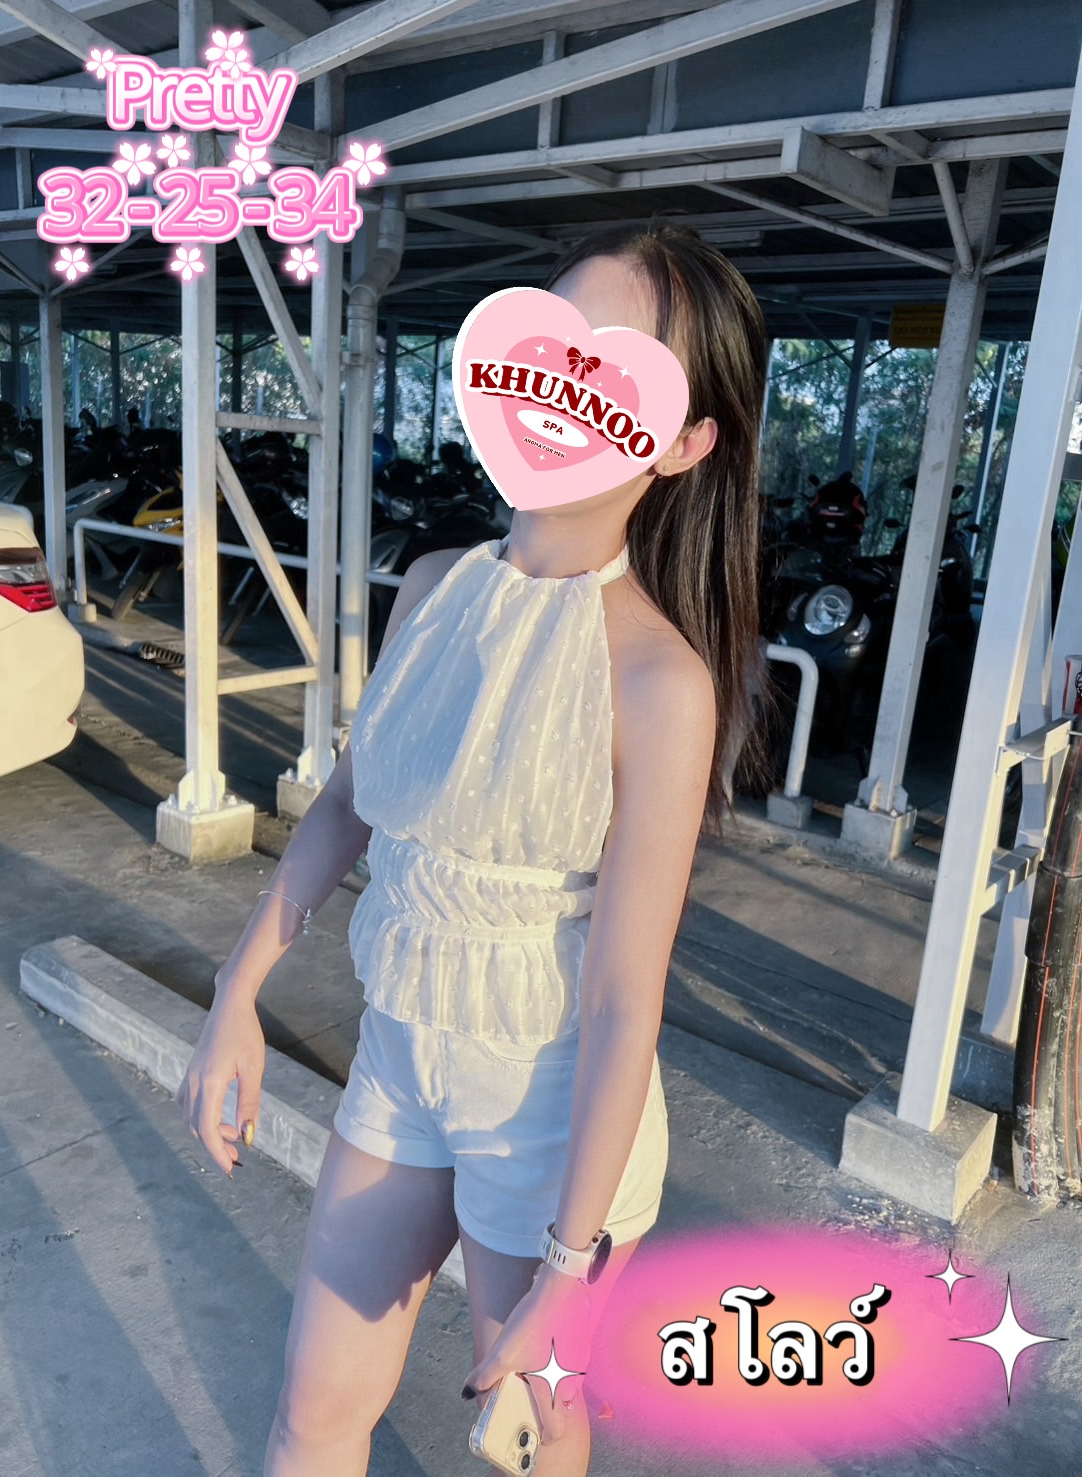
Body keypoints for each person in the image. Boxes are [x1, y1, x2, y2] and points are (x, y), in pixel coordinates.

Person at [176, 219, 771, 1476]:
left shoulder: (660, 680)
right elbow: (350, 802)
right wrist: (237, 992)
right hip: (401, 1057)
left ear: (682, 441)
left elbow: (623, 997)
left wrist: (571, 1258)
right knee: (310, 1415)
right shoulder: (433, 584)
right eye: (551, 345)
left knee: (527, 1448)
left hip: (551, 1116)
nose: (561, 387)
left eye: (611, 367)